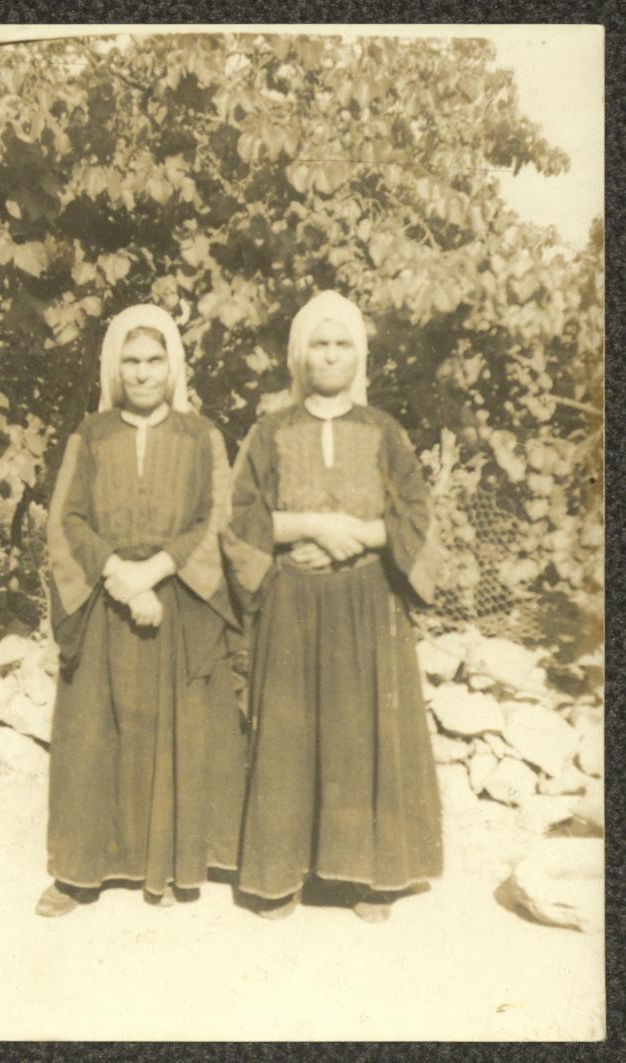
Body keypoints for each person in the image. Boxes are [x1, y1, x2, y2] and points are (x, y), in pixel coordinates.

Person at [222, 290, 443, 922]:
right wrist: (313, 525)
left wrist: (358, 536)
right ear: (298, 356)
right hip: (291, 602)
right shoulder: (271, 431)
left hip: (366, 604)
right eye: (319, 343)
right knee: (289, 733)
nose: (330, 355)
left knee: (361, 731)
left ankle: (366, 874)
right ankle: (279, 874)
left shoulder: (384, 432)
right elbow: (242, 519)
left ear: (359, 355)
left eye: (343, 343)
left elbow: (417, 516)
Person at [36, 304, 245, 917]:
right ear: (113, 366)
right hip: (104, 601)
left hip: (180, 600)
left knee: (184, 729)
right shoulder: (90, 435)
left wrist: (155, 571)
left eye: (155, 360)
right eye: (130, 360)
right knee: (92, 735)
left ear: (173, 367)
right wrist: (117, 575)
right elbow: (65, 517)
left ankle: (181, 861)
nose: (143, 372)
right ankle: (80, 872)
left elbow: (219, 517)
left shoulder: (202, 436)